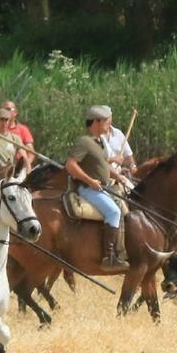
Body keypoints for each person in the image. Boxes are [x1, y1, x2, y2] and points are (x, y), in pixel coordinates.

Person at [64, 106, 135, 272]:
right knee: (114, 212)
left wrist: (117, 177)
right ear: (96, 122)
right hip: (88, 189)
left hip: (104, 187)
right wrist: (90, 181)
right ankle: (109, 257)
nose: (109, 125)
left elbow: (102, 165)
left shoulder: (100, 141)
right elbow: (70, 164)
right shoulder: (84, 142)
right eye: (106, 122)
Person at [98, 106, 137, 177]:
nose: (106, 121)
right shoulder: (94, 137)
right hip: (101, 176)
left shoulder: (118, 133)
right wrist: (113, 159)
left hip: (118, 175)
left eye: (107, 118)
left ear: (111, 118)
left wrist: (132, 166)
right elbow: (95, 162)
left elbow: (128, 156)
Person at [1, 100, 35, 167]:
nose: (4, 112)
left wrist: (24, 167)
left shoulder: (23, 130)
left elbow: (31, 152)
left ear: (15, 112)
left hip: (16, 168)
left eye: (8, 109)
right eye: (2, 110)